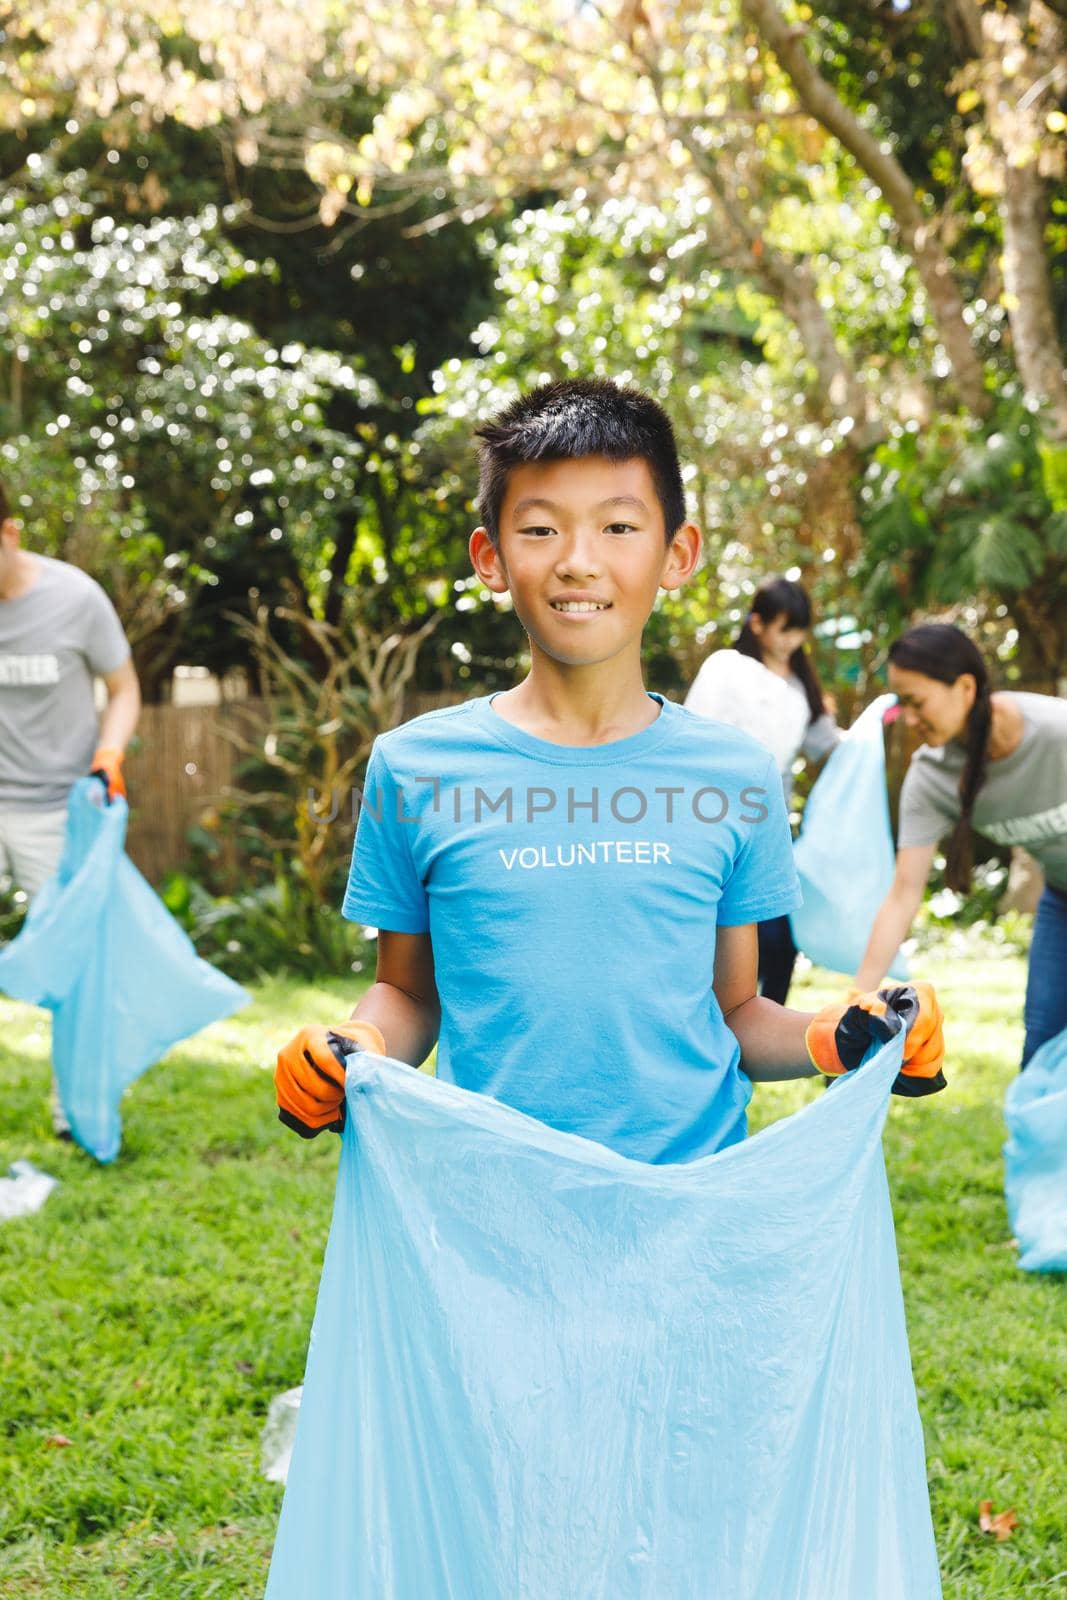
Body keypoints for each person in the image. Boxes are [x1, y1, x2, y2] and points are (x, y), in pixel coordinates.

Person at [275, 379, 944, 1167]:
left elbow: (735, 1011)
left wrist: (844, 1032)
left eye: (619, 526)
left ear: (675, 554)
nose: (578, 563)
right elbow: (411, 996)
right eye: (539, 530)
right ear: (490, 558)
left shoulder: (735, 775)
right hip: (487, 1202)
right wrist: (357, 1043)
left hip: (684, 1212)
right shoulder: (415, 767)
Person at [855, 621, 1067, 1067]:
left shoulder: (1055, 732)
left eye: (917, 702)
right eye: (902, 705)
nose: (909, 719)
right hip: (1061, 900)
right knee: (1042, 1048)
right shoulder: (932, 777)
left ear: (965, 687)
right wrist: (858, 1000)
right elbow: (903, 894)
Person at [0, 474, 141, 1130]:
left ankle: (73, 1106)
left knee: (74, 966)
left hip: (56, 809)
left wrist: (108, 754)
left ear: (10, 535)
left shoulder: (73, 598)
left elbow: (123, 687)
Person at [685, 576, 840, 1003]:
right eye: (784, 629)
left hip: (772, 828)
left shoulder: (800, 684)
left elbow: (826, 744)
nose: (792, 640)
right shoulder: (727, 670)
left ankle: (762, 1030)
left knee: (780, 940)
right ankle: (723, 1030)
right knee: (725, 936)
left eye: (799, 630)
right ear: (758, 624)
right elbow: (695, 733)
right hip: (717, 823)